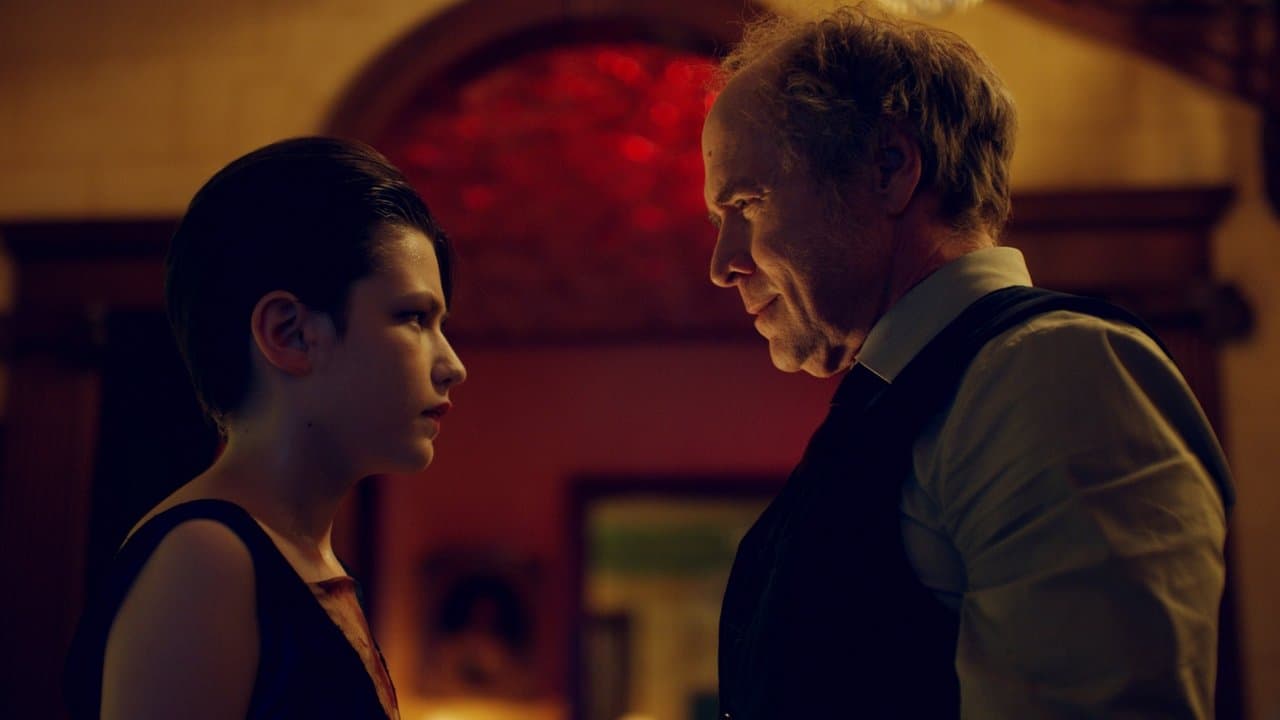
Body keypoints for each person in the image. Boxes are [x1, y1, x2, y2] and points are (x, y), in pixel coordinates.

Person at [703, 7, 1233, 719]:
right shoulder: (906, 402)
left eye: (747, 203)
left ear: (889, 169)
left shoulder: (1051, 374)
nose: (722, 265)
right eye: (721, 220)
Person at [64, 137, 467, 719]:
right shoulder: (206, 559)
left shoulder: (300, 556)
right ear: (289, 333)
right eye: (413, 317)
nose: (452, 365)